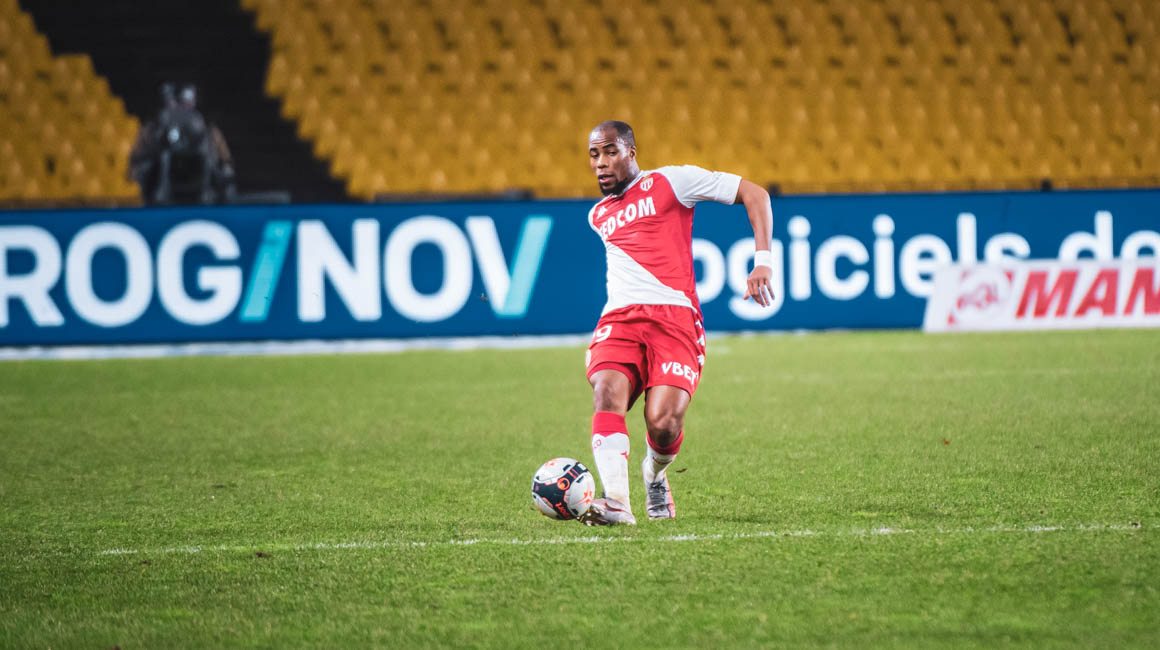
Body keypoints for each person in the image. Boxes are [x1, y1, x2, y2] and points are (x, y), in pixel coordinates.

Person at [578, 120, 774, 526]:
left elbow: (755, 193)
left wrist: (763, 263)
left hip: (675, 319)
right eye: (594, 155)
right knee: (607, 390)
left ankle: (654, 474)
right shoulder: (598, 215)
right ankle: (616, 501)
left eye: (610, 152)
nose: (601, 163)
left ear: (631, 152)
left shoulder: (673, 182)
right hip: (620, 319)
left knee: (664, 422)